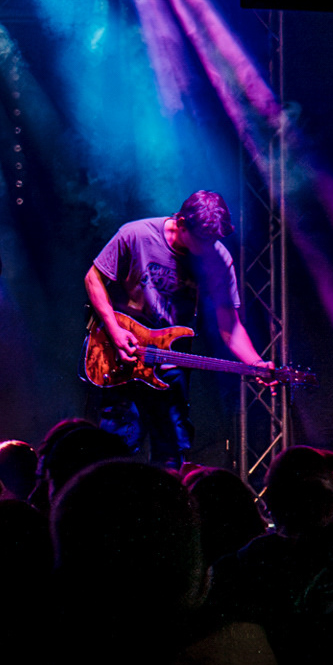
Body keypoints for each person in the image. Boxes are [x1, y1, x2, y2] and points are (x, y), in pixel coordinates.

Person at [82, 190, 262, 466]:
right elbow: (93, 278)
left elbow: (230, 324)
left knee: (173, 451)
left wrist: (256, 363)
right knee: (116, 447)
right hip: (122, 354)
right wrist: (115, 331)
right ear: (181, 223)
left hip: (170, 361)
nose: (208, 247)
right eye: (202, 240)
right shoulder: (136, 235)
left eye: (213, 240)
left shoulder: (218, 258)